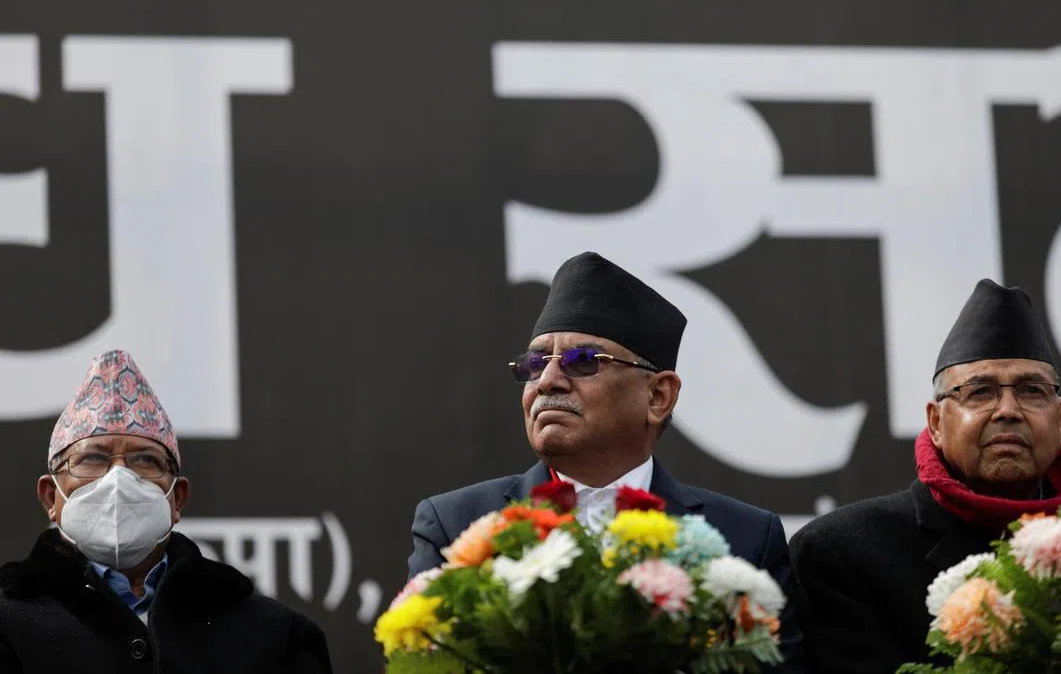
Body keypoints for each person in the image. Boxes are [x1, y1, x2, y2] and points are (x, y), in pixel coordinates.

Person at [406, 251, 803, 668]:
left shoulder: (743, 540)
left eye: (583, 361)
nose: (547, 381)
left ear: (658, 396)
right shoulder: (458, 528)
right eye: (535, 363)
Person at [789, 279, 1061, 673]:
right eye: (980, 392)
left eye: (1032, 390)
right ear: (935, 422)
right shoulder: (843, 553)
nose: (1008, 410)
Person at [0, 349, 333, 674]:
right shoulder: (8, 625)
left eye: (146, 460)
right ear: (49, 497)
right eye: (93, 459)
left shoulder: (273, 637)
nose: (119, 479)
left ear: (178, 499)